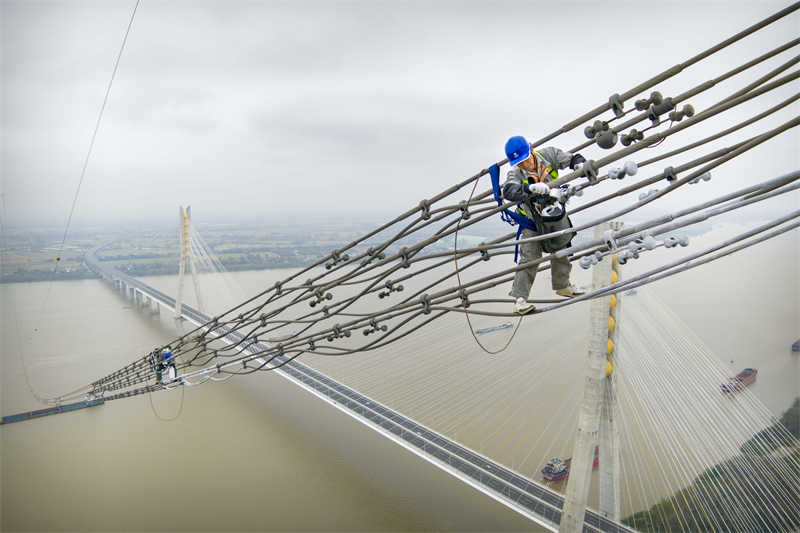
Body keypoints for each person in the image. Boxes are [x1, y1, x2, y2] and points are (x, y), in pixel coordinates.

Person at [503, 135, 586, 315]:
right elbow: (508, 190)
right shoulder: (516, 173)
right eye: (519, 163)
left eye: (525, 160)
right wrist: (529, 188)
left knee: (561, 247)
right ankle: (519, 300)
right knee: (529, 257)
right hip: (532, 220)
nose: (524, 165)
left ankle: (562, 285)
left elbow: (570, 158)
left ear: (531, 151)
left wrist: (579, 165)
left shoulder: (548, 155)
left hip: (552, 214)